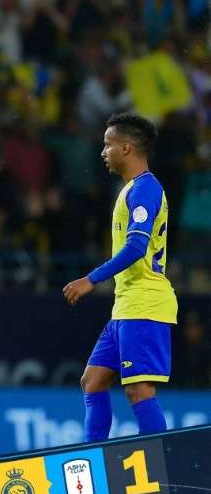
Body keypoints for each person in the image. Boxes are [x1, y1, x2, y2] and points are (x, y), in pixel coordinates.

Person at [63, 113, 177, 441]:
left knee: (139, 390)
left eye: (108, 144)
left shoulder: (146, 189)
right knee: (93, 381)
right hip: (126, 305)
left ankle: (158, 464)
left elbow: (137, 247)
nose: (103, 152)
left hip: (145, 303)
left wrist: (91, 279)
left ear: (126, 148)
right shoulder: (131, 189)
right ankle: (92, 457)